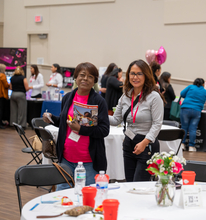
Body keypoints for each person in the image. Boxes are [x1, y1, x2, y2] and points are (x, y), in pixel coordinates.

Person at [43, 62, 109, 190]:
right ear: (76, 77)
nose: (85, 78)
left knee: (88, 197)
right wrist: (51, 118)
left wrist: (81, 129)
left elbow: (104, 130)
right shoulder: (68, 97)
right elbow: (65, 122)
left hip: (89, 161)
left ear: (94, 80)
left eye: (90, 76)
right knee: (63, 196)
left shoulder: (99, 101)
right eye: (82, 75)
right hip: (66, 158)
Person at [109, 59, 164, 182]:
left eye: (139, 74)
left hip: (146, 144)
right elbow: (116, 120)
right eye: (132, 73)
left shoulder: (154, 97)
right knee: (129, 184)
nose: (135, 77)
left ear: (146, 75)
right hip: (129, 143)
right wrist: (97, 116)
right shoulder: (125, 96)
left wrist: (144, 143)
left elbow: (157, 124)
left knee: (141, 185)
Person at [180, 78, 206, 152]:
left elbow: (182, 94)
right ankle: (191, 147)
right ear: (203, 84)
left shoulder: (190, 87)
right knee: (193, 129)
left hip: (185, 109)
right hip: (196, 111)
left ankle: (182, 145)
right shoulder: (205, 92)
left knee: (184, 127)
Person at [0, 64, 10, 129]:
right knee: (0, 110)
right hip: (1, 95)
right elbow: (6, 85)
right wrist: (10, 84)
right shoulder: (3, 76)